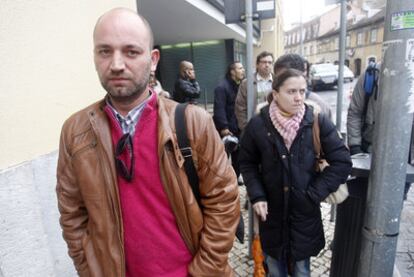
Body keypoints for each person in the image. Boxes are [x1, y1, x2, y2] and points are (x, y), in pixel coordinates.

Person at [56, 8, 240, 277]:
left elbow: (224, 202)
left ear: (153, 60)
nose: (117, 64)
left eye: (131, 51)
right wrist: (89, 269)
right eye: (105, 51)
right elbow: (72, 215)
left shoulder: (192, 123)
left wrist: (203, 271)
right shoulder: (75, 132)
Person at [239, 68, 352, 276]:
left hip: (304, 214)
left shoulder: (316, 121)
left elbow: (342, 162)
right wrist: (257, 195)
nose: (299, 97)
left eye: (302, 91)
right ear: (275, 94)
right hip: (271, 215)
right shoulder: (257, 124)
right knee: (274, 269)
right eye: (291, 91)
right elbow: (246, 163)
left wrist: (314, 194)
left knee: (302, 270)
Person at [347, 61, 414, 199]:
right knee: (361, 201)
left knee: (393, 204)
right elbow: (355, 112)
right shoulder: (372, 75)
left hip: (403, 159)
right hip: (368, 153)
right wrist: (355, 147)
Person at [273, 53, 332, 120]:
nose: (278, 82)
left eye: (284, 77)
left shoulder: (320, 107)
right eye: (277, 78)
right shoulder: (266, 110)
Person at [213, 61, 245, 180]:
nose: (243, 70)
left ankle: (235, 178)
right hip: (227, 130)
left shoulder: (240, 85)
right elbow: (219, 108)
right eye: (240, 68)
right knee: (223, 156)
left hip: (238, 127)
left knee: (238, 156)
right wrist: (224, 127)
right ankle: (221, 180)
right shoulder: (222, 87)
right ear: (232, 72)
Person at [235, 51, 274, 131]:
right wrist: (246, 128)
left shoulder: (279, 81)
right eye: (264, 62)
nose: (267, 65)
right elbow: (240, 107)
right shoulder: (247, 83)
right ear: (257, 64)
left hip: (274, 126)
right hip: (254, 127)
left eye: (270, 62)